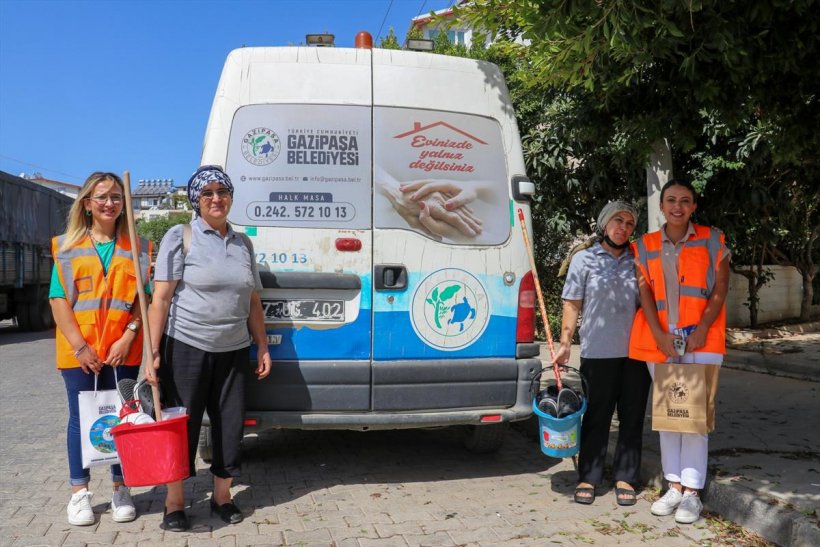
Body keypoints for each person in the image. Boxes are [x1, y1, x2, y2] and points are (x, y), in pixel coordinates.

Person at [146, 165, 271, 532]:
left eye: (223, 191)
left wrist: (261, 345)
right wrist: (151, 353)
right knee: (180, 427)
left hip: (233, 349)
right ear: (196, 201)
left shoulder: (243, 243)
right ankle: (175, 503)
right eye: (208, 193)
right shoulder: (180, 236)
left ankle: (222, 497)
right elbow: (161, 298)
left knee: (229, 427)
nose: (216, 198)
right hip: (186, 346)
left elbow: (252, 302)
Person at [49, 171, 152, 526]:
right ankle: (79, 494)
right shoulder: (66, 246)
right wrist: (80, 347)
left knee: (122, 419)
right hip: (81, 354)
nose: (110, 203)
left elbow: (143, 299)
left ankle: (121, 488)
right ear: (88, 204)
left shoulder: (138, 246)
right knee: (82, 420)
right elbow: (58, 299)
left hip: (122, 352)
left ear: (124, 205)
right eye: (102, 197)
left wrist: (129, 336)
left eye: (116, 197)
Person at [628, 179, 730, 524]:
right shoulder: (644, 245)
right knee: (670, 418)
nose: (677, 206)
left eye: (685, 201)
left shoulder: (713, 239)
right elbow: (644, 294)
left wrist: (701, 328)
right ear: (661, 206)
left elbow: (721, 288)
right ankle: (673, 486)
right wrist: (658, 334)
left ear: (694, 206)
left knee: (695, 419)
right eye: (670, 200)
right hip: (662, 343)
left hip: (703, 341)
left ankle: (692, 493)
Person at [553, 201, 650, 506]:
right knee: (597, 416)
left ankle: (625, 476)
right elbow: (572, 303)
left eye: (630, 223)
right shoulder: (584, 259)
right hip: (598, 353)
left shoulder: (640, 260)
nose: (623, 228)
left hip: (636, 352)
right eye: (618, 221)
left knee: (632, 416)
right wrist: (565, 342)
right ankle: (589, 477)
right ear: (605, 224)